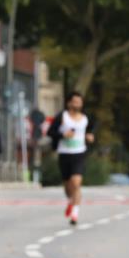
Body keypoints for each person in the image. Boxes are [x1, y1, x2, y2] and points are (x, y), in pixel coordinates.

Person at [47, 91, 95, 225]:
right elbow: (50, 132)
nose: (77, 104)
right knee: (68, 187)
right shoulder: (62, 117)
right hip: (64, 154)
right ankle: (71, 200)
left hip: (79, 153)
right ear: (69, 103)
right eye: (75, 102)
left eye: (79, 102)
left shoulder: (85, 118)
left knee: (76, 182)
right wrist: (63, 135)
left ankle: (75, 213)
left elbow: (91, 130)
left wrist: (90, 136)